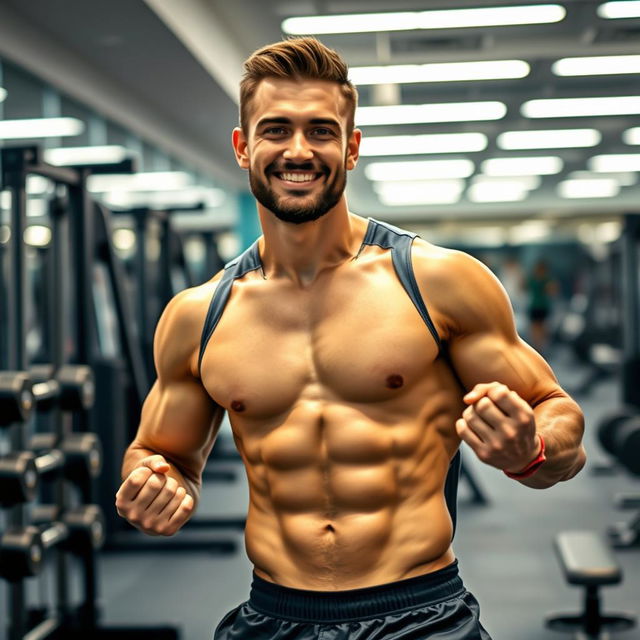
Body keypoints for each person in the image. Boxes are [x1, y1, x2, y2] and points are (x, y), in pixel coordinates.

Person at [115, 37, 586, 640]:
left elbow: (558, 414)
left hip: (423, 614)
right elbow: (160, 451)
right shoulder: (198, 315)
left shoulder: (437, 282)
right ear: (242, 147)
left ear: (352, 147)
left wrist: (532, 452)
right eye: (276, 130)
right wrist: (151, 484)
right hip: (275, 615)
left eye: (321, 131)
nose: (298, 150)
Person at [526, 259, 559, 356]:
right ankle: (537, 346)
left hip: (543, 306)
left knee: (542, 328)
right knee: (535, 328)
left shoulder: (547, 280)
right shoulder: (533, 279)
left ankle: (540, 346)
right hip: (535, 306)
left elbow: (553, 292)